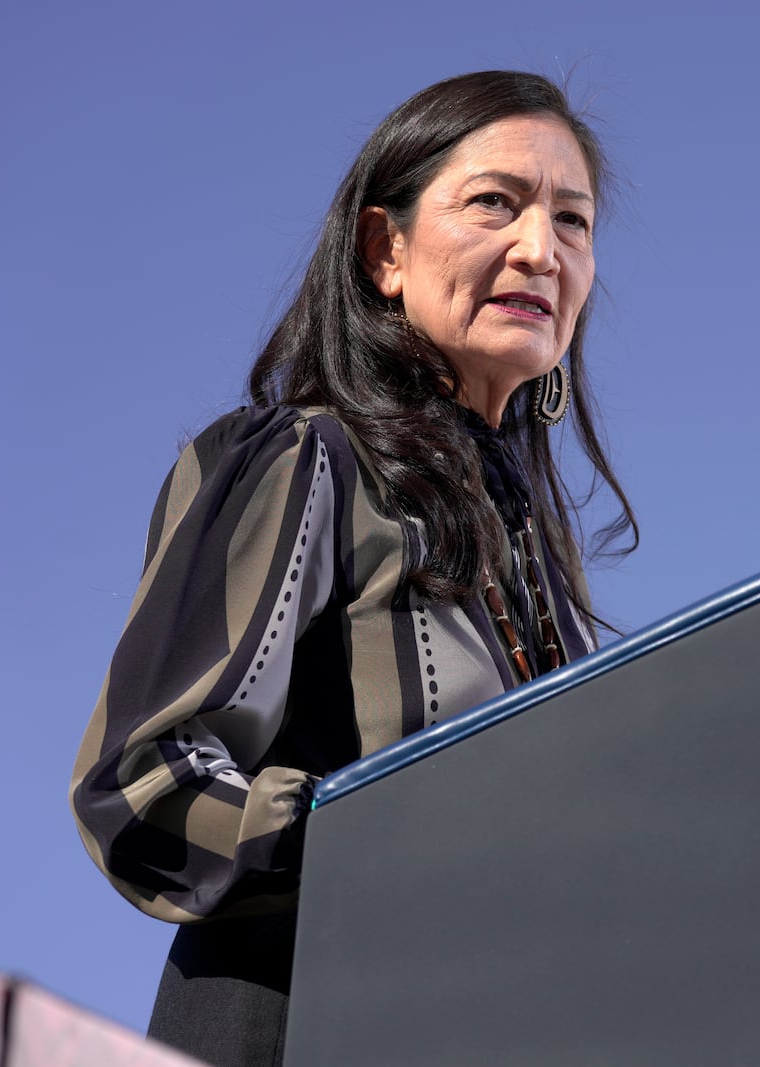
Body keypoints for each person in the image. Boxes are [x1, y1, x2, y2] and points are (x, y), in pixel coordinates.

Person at [68, 70, 637, 1067]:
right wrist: (379, 841)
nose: (540, 249)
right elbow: (144, 778)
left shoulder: (552, 577)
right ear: (385, 251)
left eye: (573, 221)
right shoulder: (303, 460)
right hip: (298, 1019)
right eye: (494, 203)